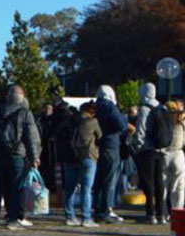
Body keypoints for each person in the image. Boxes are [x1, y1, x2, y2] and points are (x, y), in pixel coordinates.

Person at [0, 85, 42, 231]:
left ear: (8, 97)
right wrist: (34, 157)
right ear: (22, 97)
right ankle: (12, 219)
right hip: (17, 154)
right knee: (15, 188)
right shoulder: (25, 113)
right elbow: (31, 137)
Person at [62, 101, 103, 228]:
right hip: (87, 156)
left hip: (69, 156)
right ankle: (86, 217)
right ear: (91, 111)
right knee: (86, 189)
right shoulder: (93, 121)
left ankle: (70, 216)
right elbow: (100, 136)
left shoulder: (69, 120)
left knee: (70, 189)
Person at [131, 83, 165, 224]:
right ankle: (161, 213)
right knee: (159, 182)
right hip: (160, 149)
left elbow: (141, 129)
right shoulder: (161, 107)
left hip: (147, 149)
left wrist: (138, 146)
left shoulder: (144, 107)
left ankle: (150, 213)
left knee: (147, 182)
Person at [93, 85, 127, 223]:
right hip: (111, 145)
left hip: (99, 145)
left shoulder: (96, 106)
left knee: (100, 180)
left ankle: (98, 208)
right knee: (110, 180)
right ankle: (106, 210)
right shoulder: (110, 107)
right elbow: (121, 125)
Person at [161, 100, 185, 211]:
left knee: (163, 186)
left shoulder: (163, 118)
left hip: (164, 153)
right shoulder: (182, 121)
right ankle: (177, 211)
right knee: (178, 186)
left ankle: (162, 213)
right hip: (178, 153)